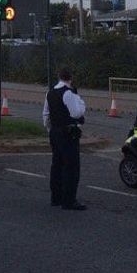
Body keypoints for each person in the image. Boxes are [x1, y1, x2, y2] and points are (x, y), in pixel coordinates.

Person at [43, 67, 87, 210]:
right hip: (68, 133)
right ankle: (69, 200)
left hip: (55, 132)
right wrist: (81, 102)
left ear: (59, 77)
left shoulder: (50, 92)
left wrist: (50, 129)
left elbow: (46, 114)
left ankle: (56, 197)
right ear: (70, 78)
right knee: (71, 167)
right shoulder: (68, 93)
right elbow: (76, 113)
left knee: (56, 165)